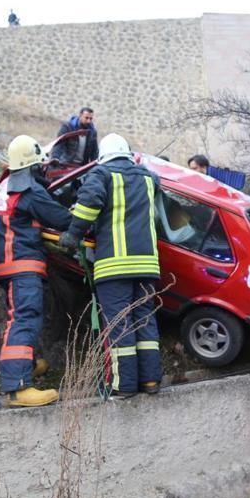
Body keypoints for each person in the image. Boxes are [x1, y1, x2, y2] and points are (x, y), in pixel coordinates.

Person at [59, 133, 162, 397]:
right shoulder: (149, 177)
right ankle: (150, 381)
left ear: (102, 155)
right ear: (126, 152)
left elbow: (89, 206)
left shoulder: (102, 174)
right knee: (145, 321)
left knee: (120, 324)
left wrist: (73, 234)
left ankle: (123, 385)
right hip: (147, 264)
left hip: (115, 265)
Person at [0, 135, 73, 407]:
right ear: (31, 165)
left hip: (8, 267)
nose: (43, 170)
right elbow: (61, 219)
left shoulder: (5, 189)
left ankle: (25, 365)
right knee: (25, 319)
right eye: (40, 165)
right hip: (23, 266)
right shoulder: (30, 192)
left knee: (21, 318)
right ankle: (17, 387)